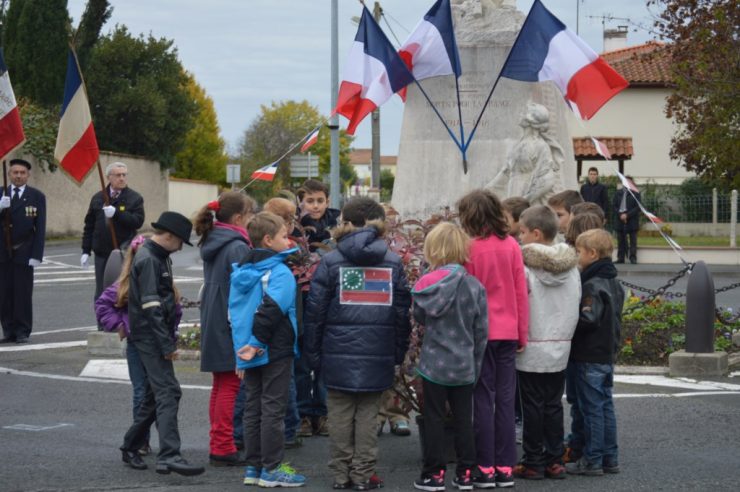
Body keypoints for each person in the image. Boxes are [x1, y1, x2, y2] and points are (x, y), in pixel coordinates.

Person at [304, 197, 411, 491]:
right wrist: (398, 351)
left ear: (345, 224)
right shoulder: (391, 262)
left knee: (338, 413)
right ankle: (363, 475)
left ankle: (341, 476)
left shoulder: (331, 261)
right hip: (378, 351)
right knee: (367, 415)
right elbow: (402, 312)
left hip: (336, 351)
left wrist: (313, 354)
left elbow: (315, 313)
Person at [119, 211, 204, 476]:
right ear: (169, 236)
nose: (181, 248)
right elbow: (151, 305)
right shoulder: (150, 259)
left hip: (150, 335)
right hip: (150, 337)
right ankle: (169, 455)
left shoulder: (157, 256)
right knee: (168, 392)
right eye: (180, 242)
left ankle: (131, 445)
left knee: (157, 394)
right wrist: (166, 344)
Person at [457, 189, 528, 489]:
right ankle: (505, 466)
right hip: (508, 332)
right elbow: (519, 293)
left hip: (479, 334)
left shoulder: (468, 248)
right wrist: (522, 332)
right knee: (506, 401)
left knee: (482, 401)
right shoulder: (512, 244)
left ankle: (484, 467)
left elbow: (465, 296)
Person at [229, 212, 306, 487]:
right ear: (268, 239)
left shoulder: (242, 271)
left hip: (248, 347)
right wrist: (257, 344)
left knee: (253, 407)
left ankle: (254, 467)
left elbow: (237, 314)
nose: (289, 241)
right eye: (285, 236)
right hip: (273, 347)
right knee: (273, 408)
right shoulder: (280, 272)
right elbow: (271, 310)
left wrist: (243, 348)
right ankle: (272, 469)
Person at [411, 222, 488, 492]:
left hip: (434, 364)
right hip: (464, 364)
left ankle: (433, 475)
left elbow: (419, 317)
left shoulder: (426, 284)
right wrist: (475, 365)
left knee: (433, 418)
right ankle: (466, 473)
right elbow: (481, 331)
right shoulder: (475, 286)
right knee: (463, 419)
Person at [95, 235, 182, 458]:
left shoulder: (160, 277)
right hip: (138, 343)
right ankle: (143, 442)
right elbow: (103, 305)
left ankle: (157, 442)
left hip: (157, 341)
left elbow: (172, 308)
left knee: (158, 394)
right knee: (144, 392)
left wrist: (170, 333)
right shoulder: (124, 284)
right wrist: (120, 325)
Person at [512, 206, 580, 480]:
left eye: (523, 232)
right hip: (560, 344)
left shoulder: (525, 265)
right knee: (553, 404)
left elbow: (520, 302)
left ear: (536, 233)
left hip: (531, 343)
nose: (520, 237)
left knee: (531, 406)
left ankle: (533, 461)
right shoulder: (571, 266)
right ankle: (554, 460)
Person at [194, 192, 254, 467]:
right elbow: (242, 293)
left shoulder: (215, 239)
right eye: (251, 215)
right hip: (229, 319)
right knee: (230, 384)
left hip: (214, 314)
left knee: (221, 384)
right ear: (240, 219)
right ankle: (223, 446)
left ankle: (219, 442)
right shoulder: (238, 246)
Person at [566, 229, 624, 476]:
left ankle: (593, 459)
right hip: (606, 353)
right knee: (604, 406)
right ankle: (610, 457)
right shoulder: (614, 282)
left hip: (589, 354)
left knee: (590, 408)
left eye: (579, 252)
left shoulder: (592, 284)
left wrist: (568, 324)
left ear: (592, 253)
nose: (577, 256)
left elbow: (588, 319)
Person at [295, 179, 338, 437]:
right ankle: (301, 414)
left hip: (328, 298)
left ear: (328, 201)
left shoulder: (337, 226)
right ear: (301, 202)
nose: (315, 205)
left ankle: (321, 414)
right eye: (310, 201)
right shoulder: (294, 228)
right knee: (301, 359)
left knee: (324, 358)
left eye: (320, 200)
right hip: (301, 298)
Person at [81, 161, 145, 306]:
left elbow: (137, 221)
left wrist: (117, 213)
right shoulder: (98, 198)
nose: (122, 178)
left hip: (124, 252)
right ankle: (103, 323)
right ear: (109, 177)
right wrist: (85, 250)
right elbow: (89, 225)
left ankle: (121, 322)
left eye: (124, 175)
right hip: (102, 252)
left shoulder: (134, 198)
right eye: (118, 175)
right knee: (101, 290)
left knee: (122, 288)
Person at [0, 158, 46, 344]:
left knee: (22, 293)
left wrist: (37, 255)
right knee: (3, 293)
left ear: (27, 175)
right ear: (9, 174)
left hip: (24, 251)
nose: (18, 176)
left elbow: (40, 227)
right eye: (15, 172)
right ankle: (8, 330)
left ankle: (22, 330)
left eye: (22, 173)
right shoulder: (1, 193)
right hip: (2, 252)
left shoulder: (36, 196)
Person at [612, 177, 641, 264]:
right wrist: (620, 214)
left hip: (632, 220)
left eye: (629, 181)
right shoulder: (618, 193)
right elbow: (614, 206)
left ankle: (633, 257)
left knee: (633, 240)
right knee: (620, 240)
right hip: (619, 219)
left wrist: (627, 215)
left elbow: (637, 207)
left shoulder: (636, 193)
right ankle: (620, 258)